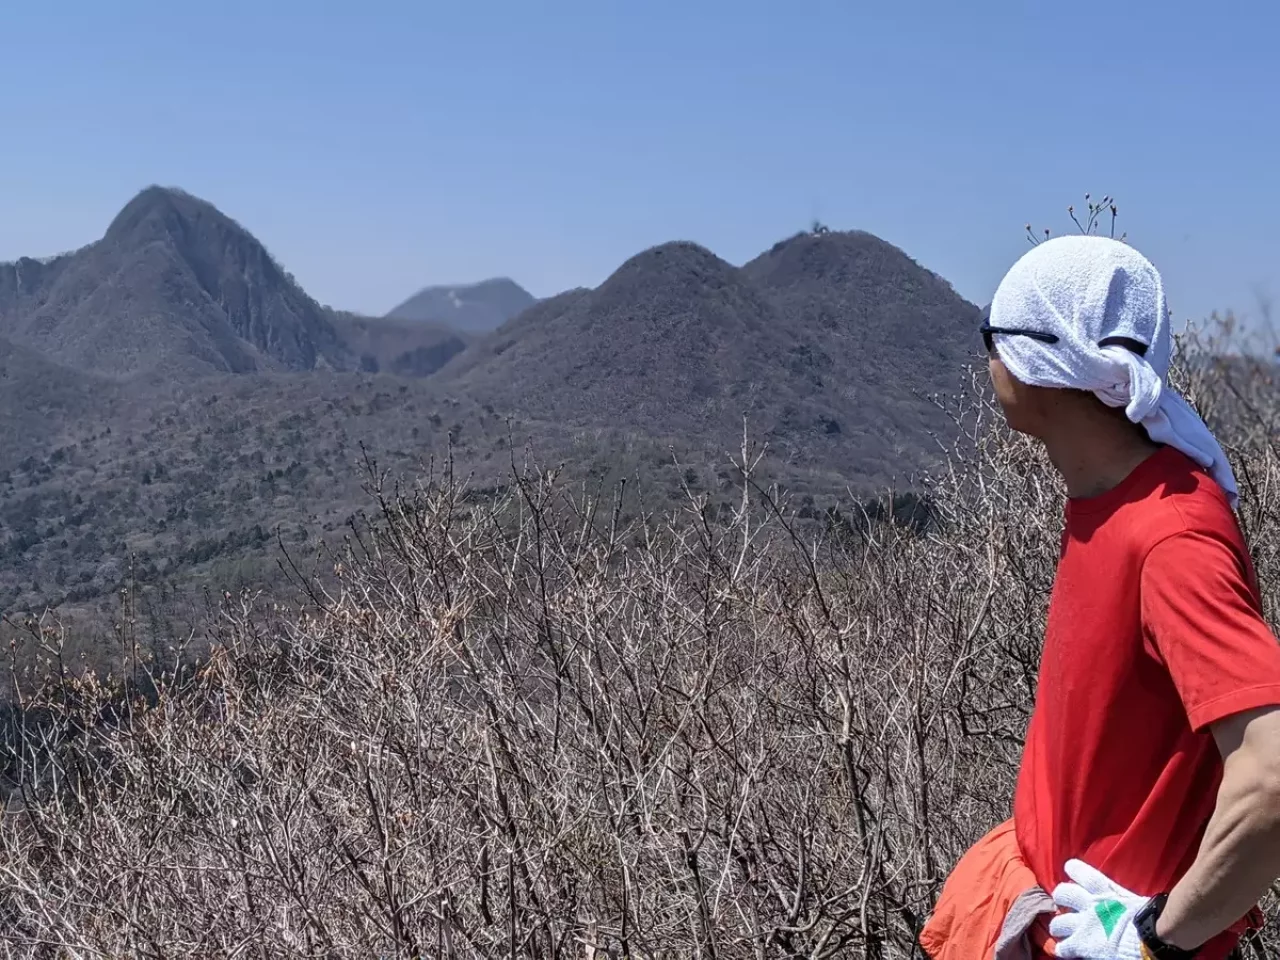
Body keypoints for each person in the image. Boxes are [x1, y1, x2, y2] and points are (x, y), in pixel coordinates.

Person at [919, 235, 1280, 960]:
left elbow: (1273, 771)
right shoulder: (1113, 501)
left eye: (993, 334)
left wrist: (1155, 935)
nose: (985, 356)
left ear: (1045, 366)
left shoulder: (1168, 534)